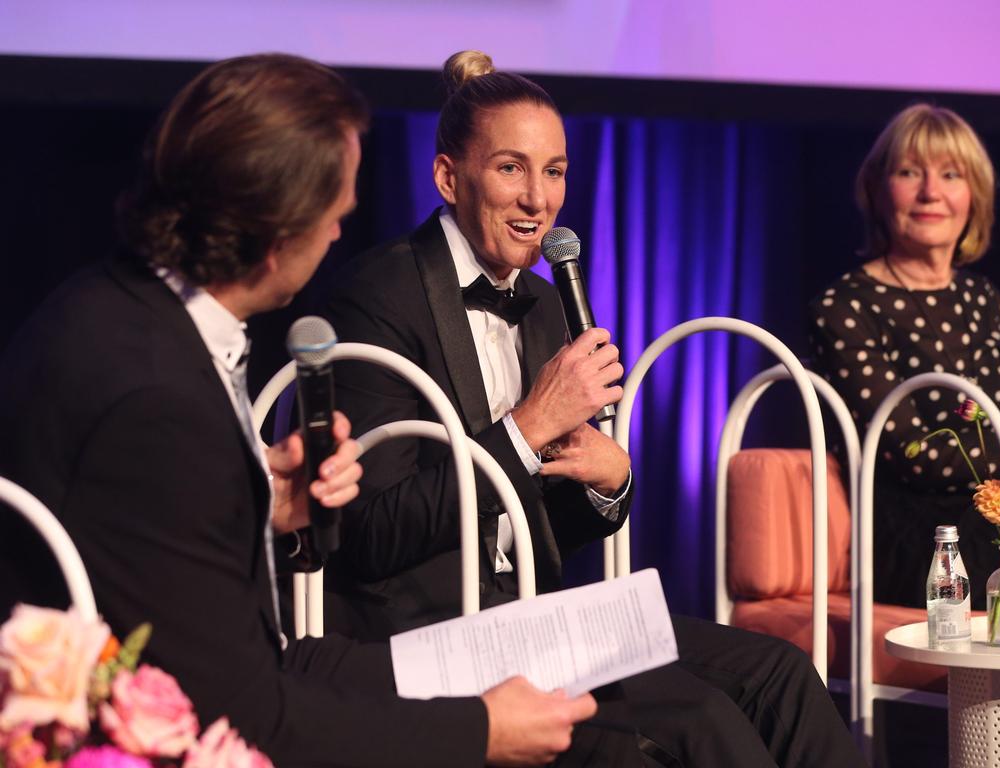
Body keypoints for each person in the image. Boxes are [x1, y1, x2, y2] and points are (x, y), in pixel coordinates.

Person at [0, 53, 620, 768]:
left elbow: (151, 553)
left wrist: (263, 504)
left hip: (250, 668)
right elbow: (249, 713)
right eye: (332, 216)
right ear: (275, 232)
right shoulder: (155, 397)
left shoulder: (116, 307)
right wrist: (478, 732)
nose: (337, 233)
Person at [322, 50, 865, 768]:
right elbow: (373, 534)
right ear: (449, 176)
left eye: (554, 171)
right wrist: (525, 431)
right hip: (432, 635)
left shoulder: (544, 298)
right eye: (511, 168)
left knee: (783, 676)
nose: (538, 200)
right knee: (699, 720)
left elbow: (548, 526)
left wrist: (608, 484)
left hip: (536, 618)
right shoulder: (379, 295)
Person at [809, 103, 1000, 609]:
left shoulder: (984, 298)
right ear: (878, 190)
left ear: (975, 195)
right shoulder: (845, 305)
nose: (931, 193)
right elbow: (918, 457)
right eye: (910, 173)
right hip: (919, 538)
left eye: (951, 175)